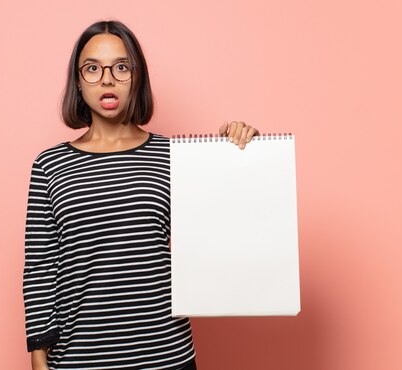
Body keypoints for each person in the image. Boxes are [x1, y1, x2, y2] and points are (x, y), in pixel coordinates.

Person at [22, 19, 259, 370]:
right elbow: (39, 270)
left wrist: (242, 152)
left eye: (120, 67)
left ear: (137, 77)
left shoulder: (175, 156)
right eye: (92, 68)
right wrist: (39, 362)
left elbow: (233, 227)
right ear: (77, 81)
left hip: (166, 356)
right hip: (78, 361)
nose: (107, 79)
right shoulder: (50, 165)